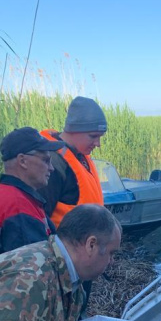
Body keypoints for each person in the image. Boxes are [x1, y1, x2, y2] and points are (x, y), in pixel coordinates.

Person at [0, 127, 65, 265]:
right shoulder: (18, 206)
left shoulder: (4, 194)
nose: (51, 168)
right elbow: (32, 272)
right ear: (23, 161)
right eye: (46, 160)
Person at [39, 96, 107, 227]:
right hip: (64, 245)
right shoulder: (52, 163)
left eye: (100, 137)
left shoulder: (80, 154)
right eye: (93, 136)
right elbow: (39, 220)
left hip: (88, 243)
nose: (98, 143)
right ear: (74, 130)